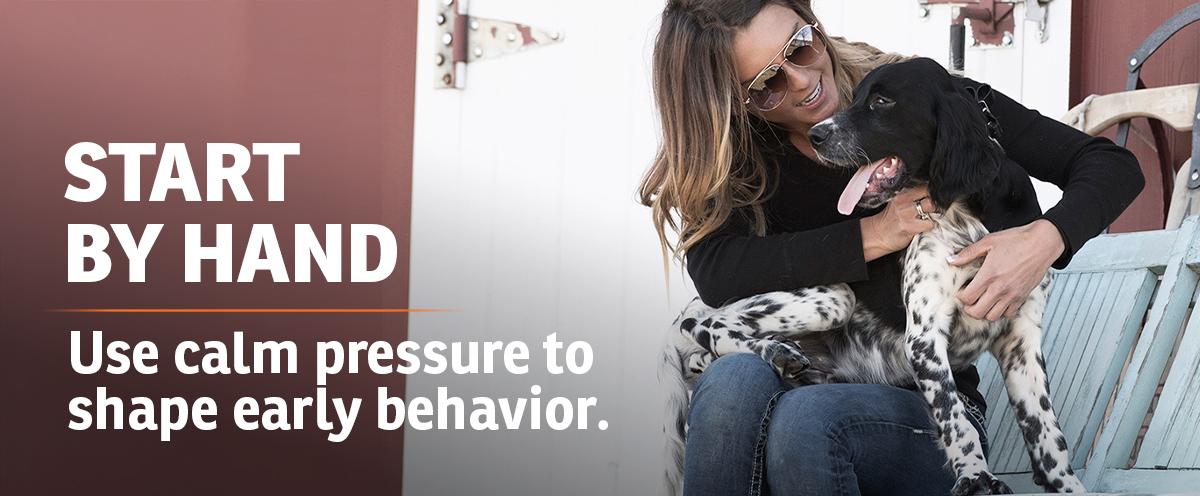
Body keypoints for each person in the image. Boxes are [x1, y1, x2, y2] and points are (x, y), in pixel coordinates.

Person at [637, 1, 1145, 495]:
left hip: (925, 416)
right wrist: (876, 234)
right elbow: (717, 271)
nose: (802, 79)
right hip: (807, 374)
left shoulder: (924, 98)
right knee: (731, 384)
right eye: (767, 83)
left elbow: (1111, 166)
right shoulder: (745, 162)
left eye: (800, 45)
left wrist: (1043, 240)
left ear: (813, 23)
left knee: (805, 422)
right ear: (735, 98)